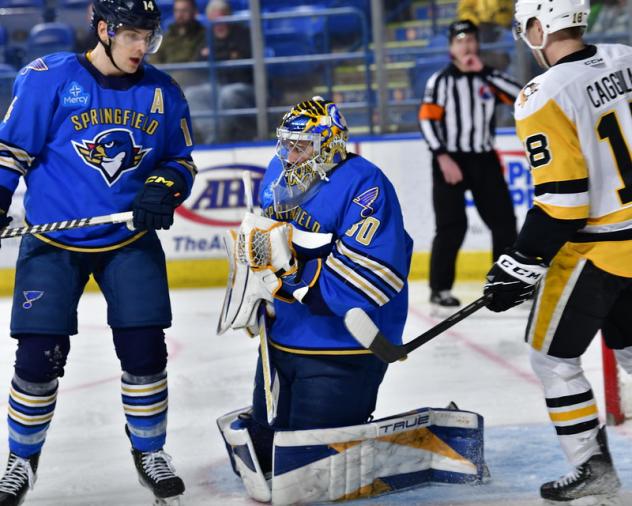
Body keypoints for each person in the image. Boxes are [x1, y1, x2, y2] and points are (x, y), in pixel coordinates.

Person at [0, 0, 197, 504]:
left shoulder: (163, 92)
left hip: (128, 242)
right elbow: (10, 152)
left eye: (149, 37)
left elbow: (181, 162)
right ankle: (20, 462)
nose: (142, 47)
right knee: (36, 360)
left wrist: (162, 187)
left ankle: (150, 452)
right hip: (52, 241)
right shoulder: (48, 78)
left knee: (145, 353)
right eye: (132, 35)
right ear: (104, 30)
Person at [484, 0, 632, 503]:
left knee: (553, 358)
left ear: (538, 26)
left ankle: (593, 471)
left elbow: (566, 202)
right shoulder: (624, 57)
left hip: (597, 251)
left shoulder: (540, 93)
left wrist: (520, 262)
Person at [220, 96, 412, 481]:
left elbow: (377, 269)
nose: (290, 155)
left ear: (330, 143)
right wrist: (256, 289)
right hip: (281, 343)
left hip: (341, 346)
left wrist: (294, 286)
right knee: (265, 457)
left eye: (302, 145)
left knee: (309, 470)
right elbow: (266, 246)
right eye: (287, 144)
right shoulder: (278, 172)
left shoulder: (365, 183)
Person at [418, 19, 520, 315]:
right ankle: (440, 289)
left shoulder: (490, 78)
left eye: (471, 40)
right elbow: (426, 120)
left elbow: (523, 97)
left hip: (483, 158)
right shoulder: (439, 81)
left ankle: (504, 285)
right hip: (449, 158)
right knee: (451, 226)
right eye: (460, 40)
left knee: (503, 223)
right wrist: (442, 156)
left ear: (478, 44)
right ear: (451, 47)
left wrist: (484, 72)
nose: (467, 45)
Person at [185, 0, 255, 144]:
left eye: (221, 19)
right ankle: (213, 136)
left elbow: (244, 66)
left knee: (228, 94)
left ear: (228, 17)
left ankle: (223, 136)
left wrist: (215, 55)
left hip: (242, 85)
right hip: (214, 85)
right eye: (214, 20)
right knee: (191, 94)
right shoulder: (206, 36)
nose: (218, 24)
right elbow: (198, 63)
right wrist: (227, 55)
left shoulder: (243, 34)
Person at [151, 0, 207, 87]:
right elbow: (155, 57)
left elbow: (196, 64)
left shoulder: (203, 35)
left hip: (192, 78)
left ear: (194, 12)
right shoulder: (168, 35)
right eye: (177, 10)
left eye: (184, 11)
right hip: (167, 75)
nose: (180, 15)